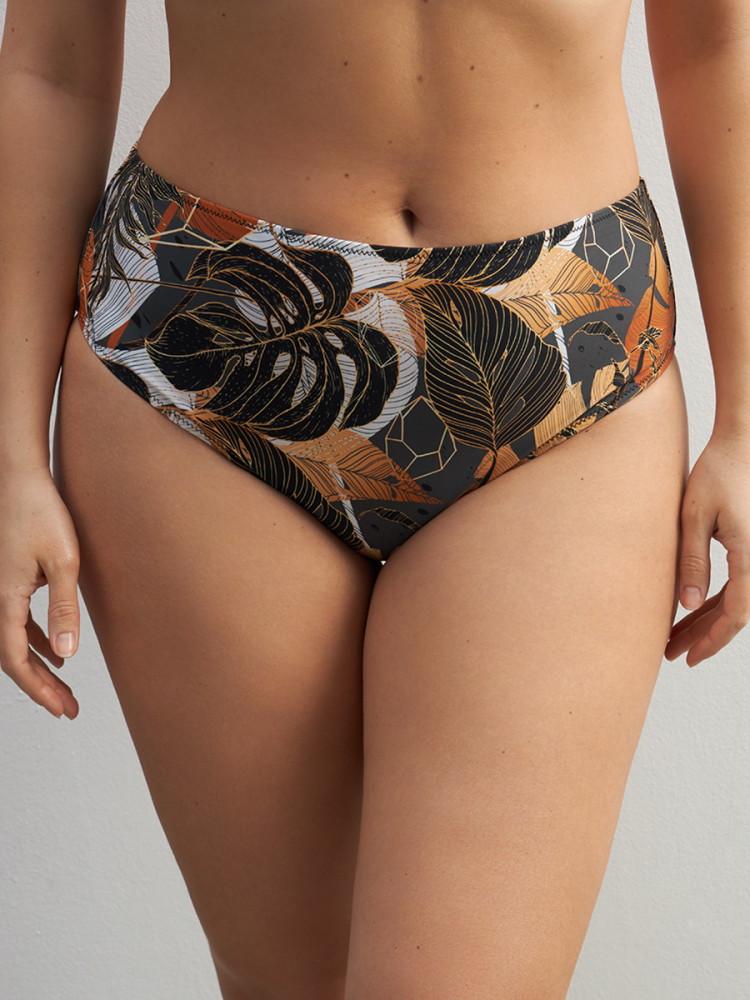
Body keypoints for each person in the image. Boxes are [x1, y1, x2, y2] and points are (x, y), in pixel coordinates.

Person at [1, 1, 748, 998]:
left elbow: (717, 41)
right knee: (285, 982)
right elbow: (48, 67)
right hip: (198, 328)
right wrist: (8, 455)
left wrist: (748, 419)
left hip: (568, 335)